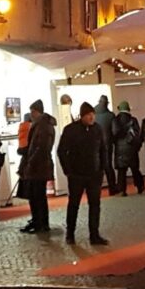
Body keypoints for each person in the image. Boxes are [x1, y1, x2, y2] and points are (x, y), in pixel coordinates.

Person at [57, 102, 109, 245]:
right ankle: (70, 234)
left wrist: (102, 168)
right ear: (82, 116)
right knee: (74, 204)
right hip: (76, 175)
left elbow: (103, 149)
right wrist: (68, 170)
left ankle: (94, 234)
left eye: (93, 115)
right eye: (88, 115)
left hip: (94, 174)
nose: (92, 117)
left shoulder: (97, 129)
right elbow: (61, 151)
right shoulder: (71, 130)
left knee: (95, 205)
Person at [17, 99, 56, 234]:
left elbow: (41, 147)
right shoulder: (42, 124)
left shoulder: (43, 125)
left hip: (38, 166)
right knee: (37, 196)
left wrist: (30, 161)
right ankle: (39, 222)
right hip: (39, 165)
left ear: (35, 111)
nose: (31, 114)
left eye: (32, 111)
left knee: (37, 196)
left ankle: (40, 223)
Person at [112, 100, 145, 196]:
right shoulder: (133, 120)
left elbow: (114, 133)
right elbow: (137, 134)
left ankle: (122, 190)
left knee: (121, 171)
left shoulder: (115, 120)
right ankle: (140, 187)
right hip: (131, 148)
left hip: (120, 149)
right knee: (135, 169)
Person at [94, 95, 120, 192]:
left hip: (95, 145)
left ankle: (96, 189)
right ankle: (112, 188)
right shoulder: (110, 115)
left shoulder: (93, 114)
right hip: (107, 144)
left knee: (97, 167)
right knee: (108, 166)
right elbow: (115, 131)